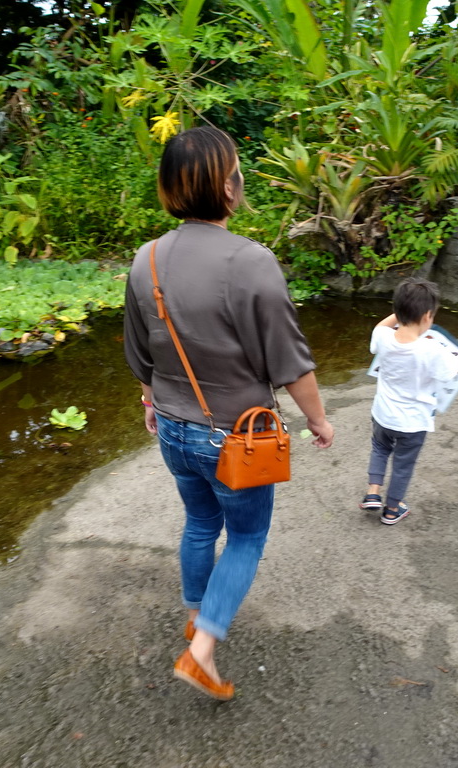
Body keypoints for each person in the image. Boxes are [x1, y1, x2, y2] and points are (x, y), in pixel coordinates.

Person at [123, 126, 334, 701]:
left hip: (170, 426)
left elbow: (140, 352)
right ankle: (201, 651)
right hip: (234, 439)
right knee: (246, 537)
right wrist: (318, 420)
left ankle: (199, 617)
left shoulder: (147, 261)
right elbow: (290, 363)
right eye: (238, 169)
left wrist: (150, 401)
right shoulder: (251, 261)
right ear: (227, 186)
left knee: (198, 522)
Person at [360, 277, 458, 525]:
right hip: (413, 423)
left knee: (380, 448)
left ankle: (373, 492)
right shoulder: (432, 350)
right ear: (428, 315)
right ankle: (392, 509)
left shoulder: (383, 336)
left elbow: (381, 326)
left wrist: (399, 312)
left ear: (397, 311)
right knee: (403, 464)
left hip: (383, 415)